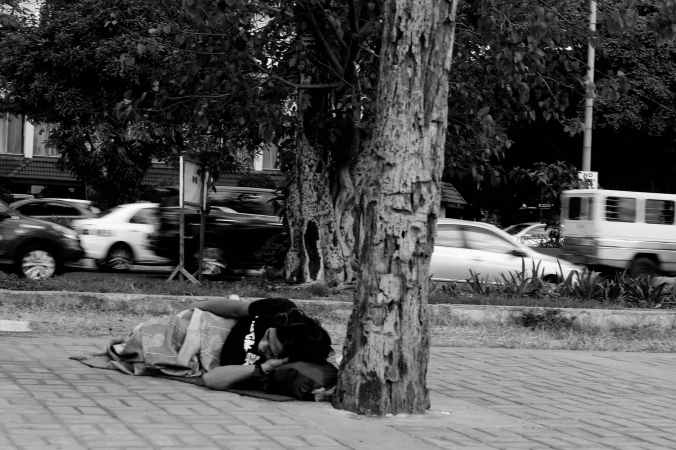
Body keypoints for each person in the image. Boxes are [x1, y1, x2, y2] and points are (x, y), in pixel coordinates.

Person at [194, 296, 333, 390]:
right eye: (267, 336)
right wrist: (197, 306)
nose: (261, 346)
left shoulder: (270, 369)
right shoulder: (280, 309)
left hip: (204, 350)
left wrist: (264, 366)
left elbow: (210, 379)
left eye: (270, 351)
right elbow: (236, 309)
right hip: (209, 322)